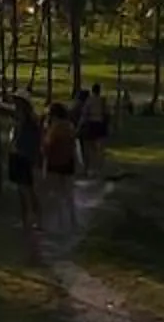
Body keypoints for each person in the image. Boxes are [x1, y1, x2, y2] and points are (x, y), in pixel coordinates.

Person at [41, 99, 82, 231]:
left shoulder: (54, 128)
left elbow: (47, 146)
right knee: (69, 194)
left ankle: (59, 222)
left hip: (54, 163)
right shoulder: (70, 126)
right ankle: (73, 221)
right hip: (68, 162)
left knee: (56, 194)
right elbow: (74, 145)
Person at [6, 95, 43, 231]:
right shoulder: (19, 120)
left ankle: (36, 219)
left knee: (29, 190)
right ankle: (26, 220)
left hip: (24, 157)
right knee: (21, 191)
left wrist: (34, 157)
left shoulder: (31, 123)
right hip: (16, 156)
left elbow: (36, 142)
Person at [76, 84, 109, 171]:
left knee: (88, 148)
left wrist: (79, 126)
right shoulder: (103, 100)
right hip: (101, 125)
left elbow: (84, 114)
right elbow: (107, 113)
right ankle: (98, 167)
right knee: (100, 149)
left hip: (91, 124)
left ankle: (88, 167)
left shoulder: (89, 101)